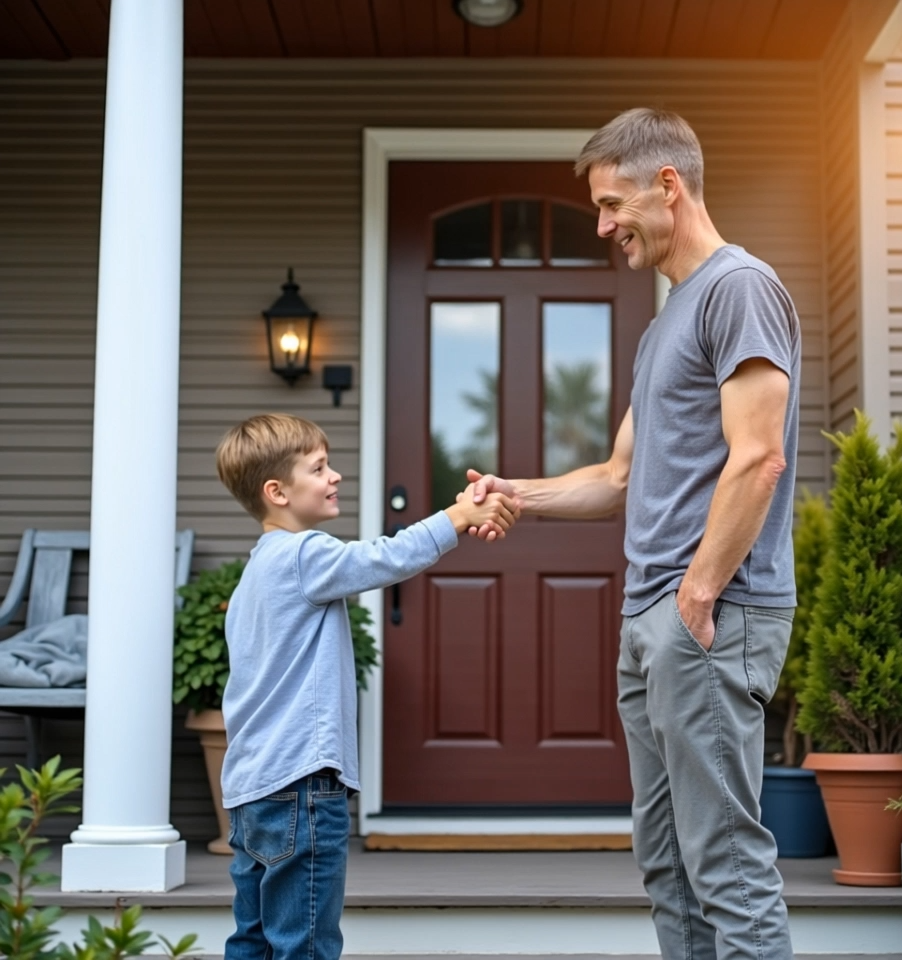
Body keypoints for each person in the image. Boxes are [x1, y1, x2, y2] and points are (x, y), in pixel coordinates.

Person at [466, 108, 801, 960]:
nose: (606, 225)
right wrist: (519, 493)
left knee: (723, 862)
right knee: (668, 864)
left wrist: (696, 592)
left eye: (614, 205)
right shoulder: (666, 326)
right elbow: (616, 477)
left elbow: (758, 456)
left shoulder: (739, 288)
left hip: (706, 613)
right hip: (652, 618)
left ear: (669, 185)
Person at [213, 412, 519, 960]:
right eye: (319, 468)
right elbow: (384, 557)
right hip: (301, 783)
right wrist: (456, 515)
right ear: (277, 491)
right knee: (304, 945)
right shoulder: (305, 553)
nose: (335, 477)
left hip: (249, 790)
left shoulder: (252, 576)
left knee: (253, 941)